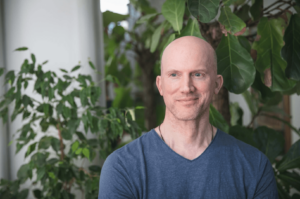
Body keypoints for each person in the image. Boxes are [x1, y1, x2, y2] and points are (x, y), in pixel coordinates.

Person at [98, 36, 278, 199]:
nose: (186, 87)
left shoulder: (254, 166)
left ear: (217, 84)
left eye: (198, 74)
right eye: (174, 75)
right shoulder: (122, 167)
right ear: (160, 85)